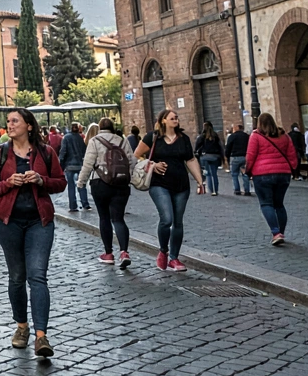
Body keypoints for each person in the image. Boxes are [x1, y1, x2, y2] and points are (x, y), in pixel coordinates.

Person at [0, 107, 65, 359]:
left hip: (40, 221)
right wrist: (8, 183)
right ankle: (22, 327)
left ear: (29, 125)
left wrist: (41, 180)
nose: (10, 124)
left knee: (38, 276)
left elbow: (60, 182)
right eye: (8, 121)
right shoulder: (0, 152)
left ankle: (42, 336)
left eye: (15, 120)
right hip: (9, 222)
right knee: (17, 276)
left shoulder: (46, 152)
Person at [135, 110, 204, 271]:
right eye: (172, 117)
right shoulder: (152, 138)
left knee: (178, 222)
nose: (176, 119)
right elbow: (137, 155)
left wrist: (200, 181)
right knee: (167, 219)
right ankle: (163, 250)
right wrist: (153, 164)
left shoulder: (183, 139)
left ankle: (174, 258)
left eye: (177, 117)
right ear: (163, 120)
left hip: (181, 185)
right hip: (159, 184)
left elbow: (191, 159)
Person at [77, 118, 131, 267]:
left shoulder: (95, 141)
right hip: (121, 184)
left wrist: (81, 182)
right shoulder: (121, 140)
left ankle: (108, 254)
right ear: (113, 127)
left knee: (104, 218)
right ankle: (124, 251)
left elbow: (88, 164)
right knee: (118, 219)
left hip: (100, 183)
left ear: (100, 128)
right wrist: (130, 178)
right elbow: (131, 162)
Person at [247, 113, 297, 246]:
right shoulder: (284, 136)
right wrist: (292, 168)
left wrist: (248, 170)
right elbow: (292, 155)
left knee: (266, 204)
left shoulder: (256, 136)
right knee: (279, 204)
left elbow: (251, 156)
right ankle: (281, 231)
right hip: (283, 173)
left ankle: (276, 233)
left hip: (262, 174)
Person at [58, 123, 89, 212]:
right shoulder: (80, 138)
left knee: (71, 186)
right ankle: (85, 203)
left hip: (69, 165)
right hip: (80, 164)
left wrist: (61, 165)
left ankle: (73, 205)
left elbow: (63, 152)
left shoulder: (66, 138)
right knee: (81, 184)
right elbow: (84, 151)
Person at [194, 122, 224, 196]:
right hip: (215, 157)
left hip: (205, 157)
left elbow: (196, 147)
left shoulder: (202, 136)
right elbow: (220, 147)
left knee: (208, 174)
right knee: (214, 174)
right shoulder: (215, 136)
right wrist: (222, 158)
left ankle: (211, 190)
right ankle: (215, 190)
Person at [226, 122, 251, 196]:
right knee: (245, 174)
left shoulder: (232, 136)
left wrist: (227, 157)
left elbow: (228, 148)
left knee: (234, 174)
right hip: (245, 157)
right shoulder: (247, 136)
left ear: (236, 128)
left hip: (235, 157)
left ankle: (237, 190)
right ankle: (247, 190)